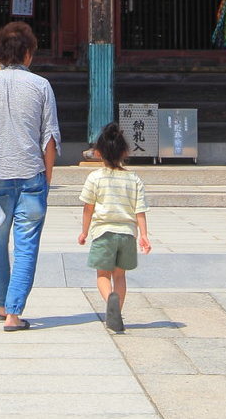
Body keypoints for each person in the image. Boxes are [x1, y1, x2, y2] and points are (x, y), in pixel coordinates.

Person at [0, 20, 59, 331]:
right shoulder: (41, 86)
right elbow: (49, 139)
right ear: (29, 54)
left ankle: (0, 301)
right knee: (27, 246)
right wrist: (46, 180)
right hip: (32, 174)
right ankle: (14, 313)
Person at [77, 121, 152, 334]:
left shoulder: (95, 178)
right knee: (120, 276)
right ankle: (116, 312)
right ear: (125, 152)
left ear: (98, 153)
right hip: (127, 235)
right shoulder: (133, 179)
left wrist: (84, 232)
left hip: (103, 233)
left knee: (103, 275)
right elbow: (140, 210)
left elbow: (88, 208)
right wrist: (144, 235)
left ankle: (109, 299)